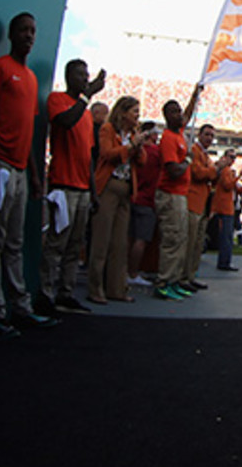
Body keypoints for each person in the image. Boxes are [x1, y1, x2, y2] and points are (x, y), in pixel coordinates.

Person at [0, 12, 56, 337]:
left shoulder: (32, 78)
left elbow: (29, 131)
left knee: (16, 242)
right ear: (11, 34)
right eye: (23, 29)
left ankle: (20, 307)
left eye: (33, 30)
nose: (29, 35)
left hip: (22, 172)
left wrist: (35, 175)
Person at [37, 58, 105, 316]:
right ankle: (44, 294)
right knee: (56, 244)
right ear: (68, 76)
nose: (85, 78)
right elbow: (64, 122)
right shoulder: (58, 100)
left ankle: (65, 293)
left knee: (74, 246)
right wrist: (86, 97)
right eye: (80, 74)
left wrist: (93, 192)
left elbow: (88, 156)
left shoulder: (86, 114)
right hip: (62, 185)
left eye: (87, 74)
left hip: (82, 189)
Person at [88, 95, 144, 304]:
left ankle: (116, 288)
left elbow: (142, 161)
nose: (138, 116)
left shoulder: (133, 133)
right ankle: (95, 289)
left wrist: (138, 146)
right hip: (109, 187)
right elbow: (107, 154)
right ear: (123, 112)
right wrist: (130, 147)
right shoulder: (107, 130)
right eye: (135, 112)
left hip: (126, 190)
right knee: (101, 240)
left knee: (120, 243)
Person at [154, 99, 195, 299]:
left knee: (181, 239)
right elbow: (173, 170)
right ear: (166, 116)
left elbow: (188, 112)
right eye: (173, 112)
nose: (178, 115)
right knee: (172, 239)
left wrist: (196, 93)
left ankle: (174, 280)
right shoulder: (169, 138)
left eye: (179, 111)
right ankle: (163, 281)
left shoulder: (179, 134)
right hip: (170, 194)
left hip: (179, 194)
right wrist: (187, 159)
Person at [183, 123, 220, 289]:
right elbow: (198, 174)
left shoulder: (205, 155)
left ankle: (191, 275)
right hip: (194, 200)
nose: (209, 138)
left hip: (203, 203)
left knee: (198, 243)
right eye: (207, 135)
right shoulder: (195, 152)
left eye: (212, 136)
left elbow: (211, 177)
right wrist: (216, 169)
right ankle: (183, 277)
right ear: (199, 135)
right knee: (189, 243)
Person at [127, 121, 160, 289]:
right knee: (141, 239)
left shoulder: (134, 150)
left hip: (132, 196)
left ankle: (127, 271)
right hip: (147, 200)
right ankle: (133, 273)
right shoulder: (154, 152)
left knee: (130, 238)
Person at [212, 149, 242, 271]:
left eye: (234, 157)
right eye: (230, 157)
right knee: (226, 236)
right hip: (225, 207)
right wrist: (238, 177)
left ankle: (225, 261)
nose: (232, 159)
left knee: (227, 236)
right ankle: (224, 262)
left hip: (227, 206)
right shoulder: (226, 171)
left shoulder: (228, 171)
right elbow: (228, 186)